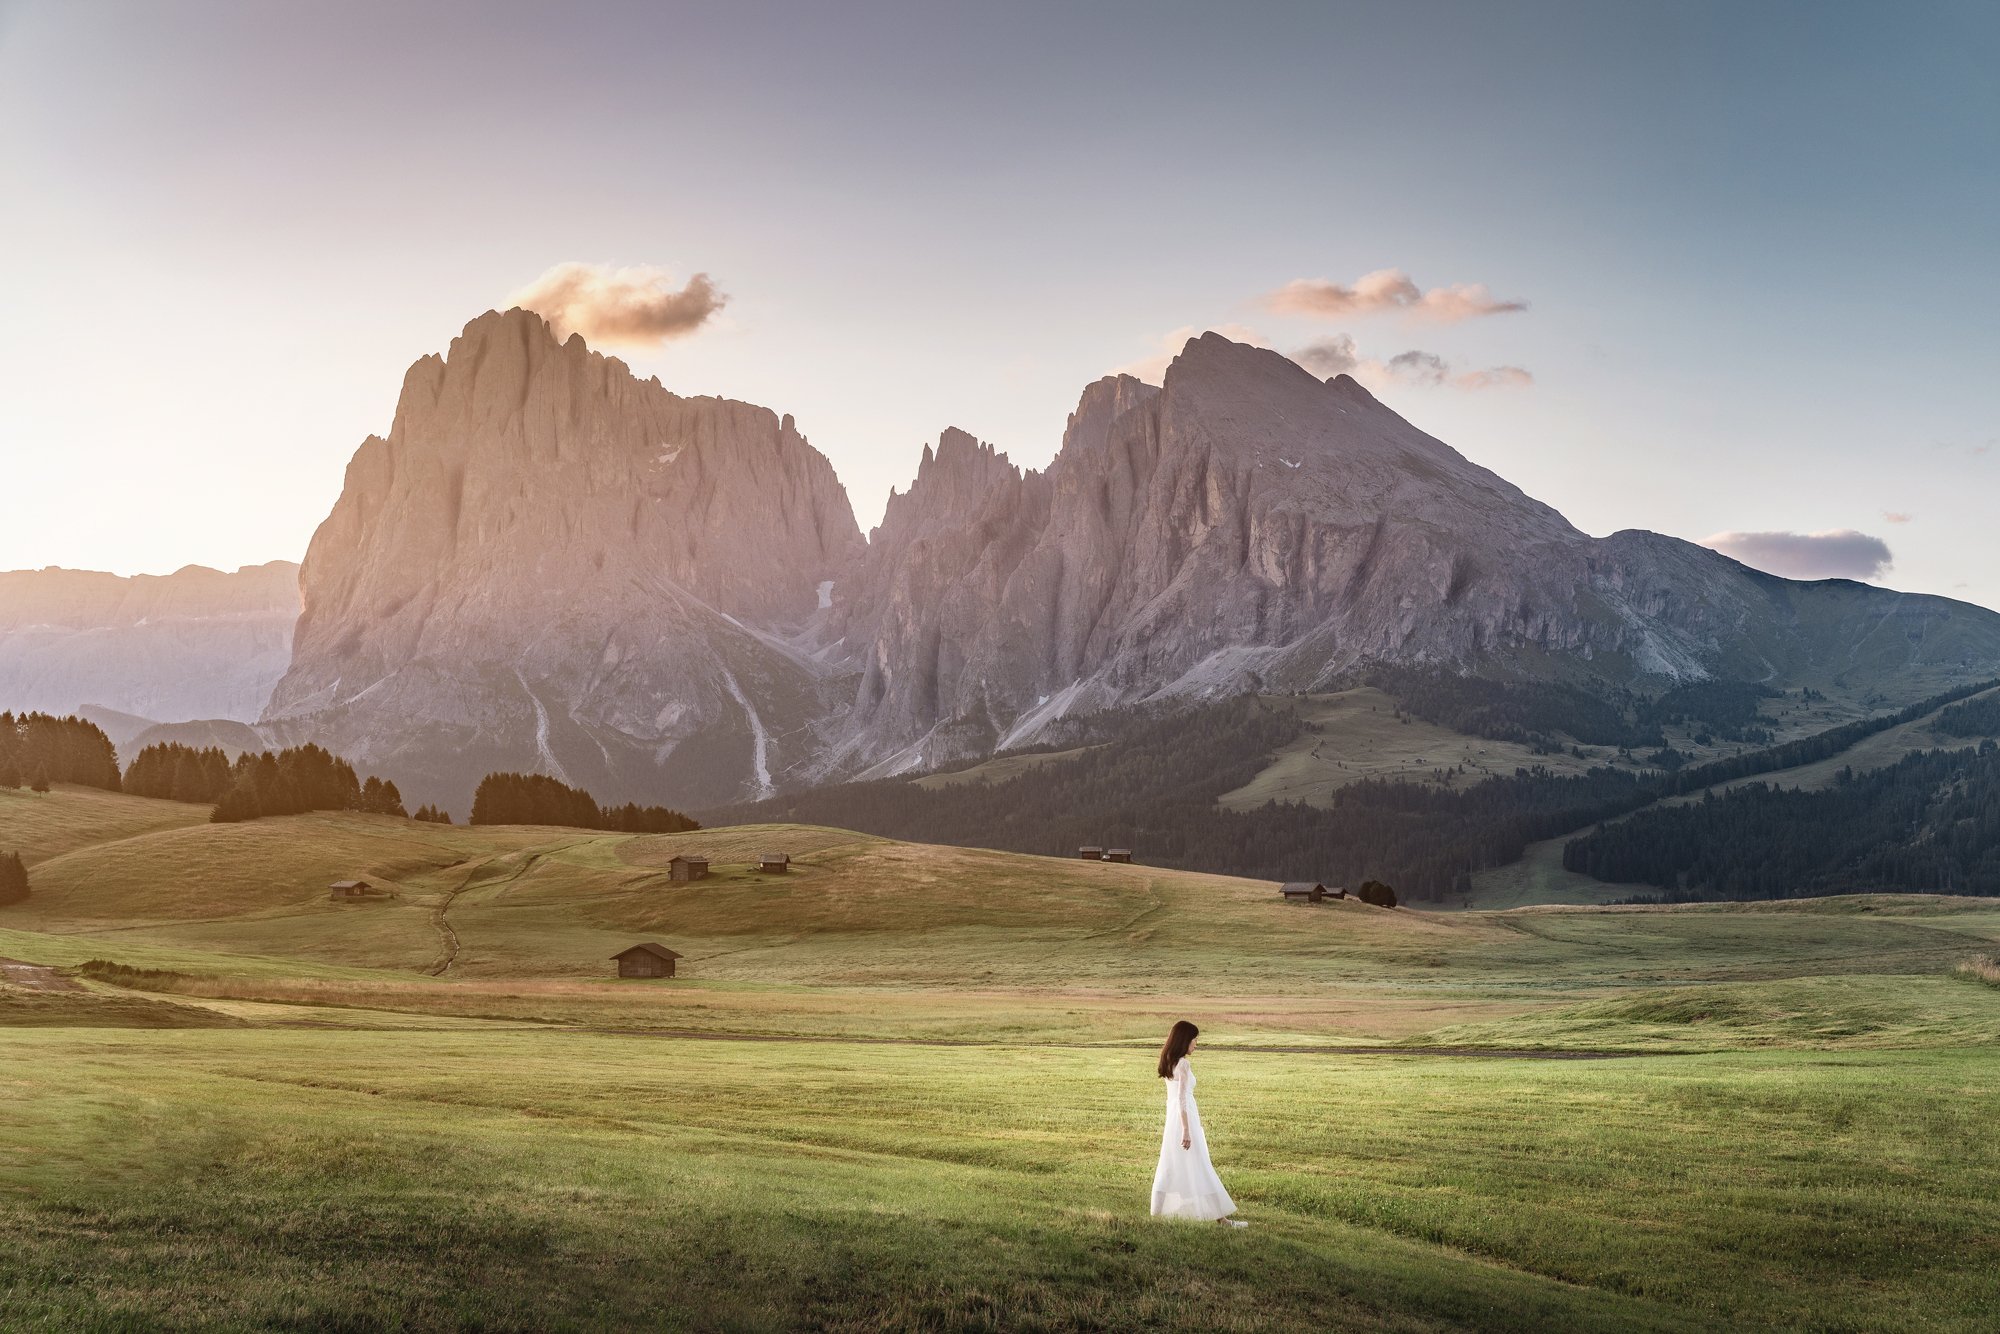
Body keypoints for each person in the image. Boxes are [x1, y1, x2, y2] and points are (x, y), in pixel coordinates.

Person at [1150, 1020, 1245, 1226]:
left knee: (1170, 1163)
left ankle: (1156, 1213)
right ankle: (1223, 1220)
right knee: (1201, 1164)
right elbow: (1183, 1099)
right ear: (1185, 1040)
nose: (1196, 1044)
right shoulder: (1183, 1064)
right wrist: (1186, 1130)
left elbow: (1175, 1099)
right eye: (1194, 1040)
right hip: (1185, 1120)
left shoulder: (1169, 1061)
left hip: (1173, 1119)